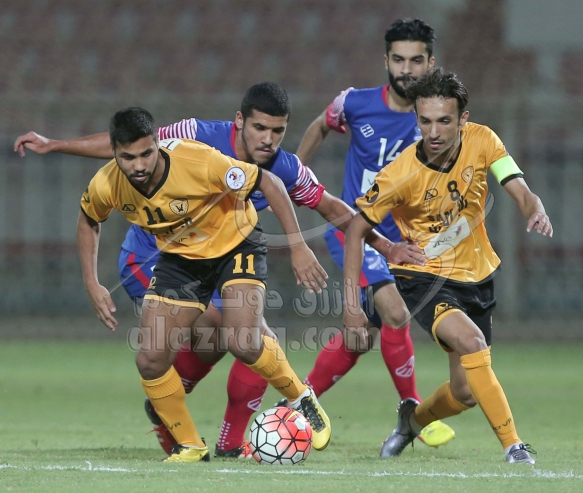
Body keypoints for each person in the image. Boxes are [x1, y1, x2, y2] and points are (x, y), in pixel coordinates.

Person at [15, 82, 407, 458]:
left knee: (248, 337)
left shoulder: (285, 169)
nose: (268, 139)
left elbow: (333, 207)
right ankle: (185, 415)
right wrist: (56, 145)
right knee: (227, 331)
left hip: (225, 253)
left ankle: (220, 436)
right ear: (239, 121)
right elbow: (133, 145)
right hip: (155, 258)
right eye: (259, 128)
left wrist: (385, 245)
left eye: (278, 131)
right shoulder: (196, 136)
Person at [78, 106, 335, 462]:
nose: (138, 166)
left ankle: (300, 398)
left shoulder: (197, 160)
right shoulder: (106, 183)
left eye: (146, 154)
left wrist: (298, 246)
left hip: (236, 245)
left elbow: (269, 182)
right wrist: (92, 282)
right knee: (150, 360)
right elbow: (88, 219)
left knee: (244, 341)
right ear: (114, 152)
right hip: (182, 261)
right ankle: (191, 446)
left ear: (157, 143)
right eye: (127, 157)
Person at [343, 67, 552, 464]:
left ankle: (411, 421)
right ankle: (514, 446)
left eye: (444, 121)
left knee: (465, 393)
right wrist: (354, 301)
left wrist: (534, 207)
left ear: (463, 119)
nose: (434, 132)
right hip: (425, 277)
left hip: (476, 273)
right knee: (472, 342)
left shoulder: (483, 140)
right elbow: (356, 229)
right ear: (416, 119)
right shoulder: (401, 174)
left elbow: (517, 186)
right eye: (425, 121)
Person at [294, 18, 453, 449]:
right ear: (386, 61)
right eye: (398, 60)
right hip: (355, 229)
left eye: (416, 61)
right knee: (396, 312)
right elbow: (320, 125)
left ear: (430, 63)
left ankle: (298, 404)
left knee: (360, 335)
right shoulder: (354, 103)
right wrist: (293, 176)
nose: (406, 69)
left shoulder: (436, 120)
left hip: (404, 242)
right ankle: (413, 413)